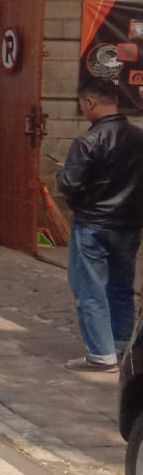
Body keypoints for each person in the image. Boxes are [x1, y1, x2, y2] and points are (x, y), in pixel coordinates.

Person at [56, 80, 143, 372]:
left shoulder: (88, 141)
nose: (82, 109)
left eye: (82, 104)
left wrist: (61, 175)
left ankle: (100, 354)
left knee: (90, 288)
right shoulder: (138, 137)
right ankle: (120, 346)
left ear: (90, 102)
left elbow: (71, 185)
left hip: (93, 224)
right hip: (128, 224)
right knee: (121, 287)